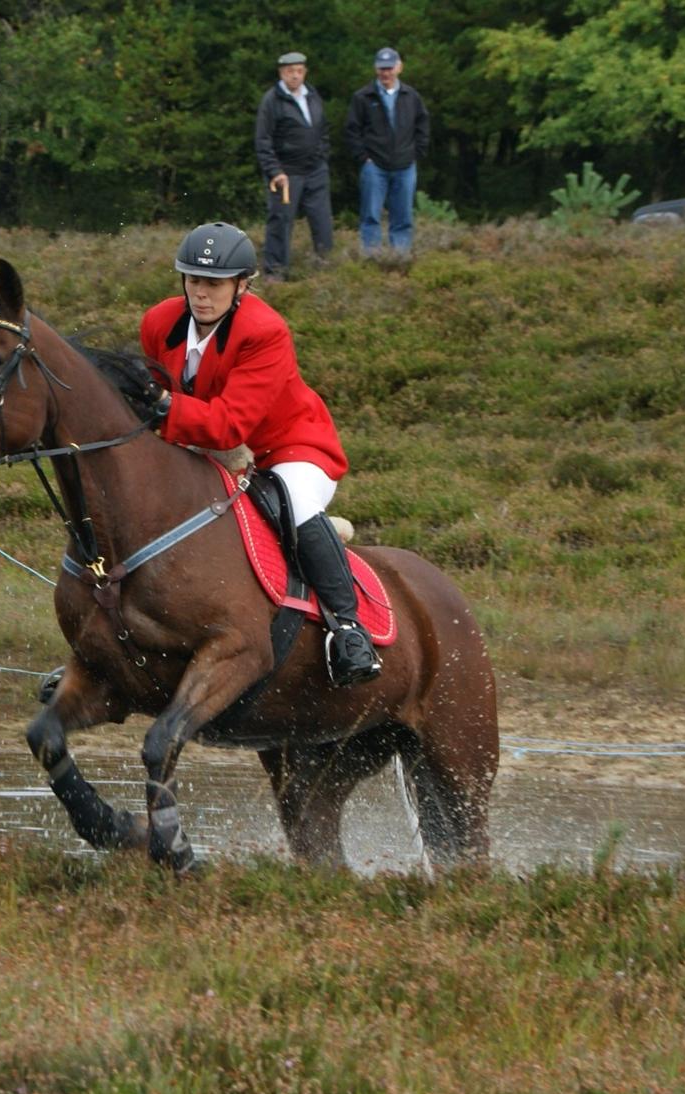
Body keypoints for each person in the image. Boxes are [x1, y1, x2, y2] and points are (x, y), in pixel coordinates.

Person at [142, 222, 381, 687]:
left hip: (289, 448)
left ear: (241, 286)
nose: (201, 294)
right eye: (193, 280)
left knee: (292, 501)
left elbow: (229, 425)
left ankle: (349, 631)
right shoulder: (159, 322)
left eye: (213, 283)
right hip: (207, 449)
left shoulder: (264, 331)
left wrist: (161, 407)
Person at [253, 51, 334, 284]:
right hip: (286, 173)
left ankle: (326, 266)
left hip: (316, 169)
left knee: (322, 220)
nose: (295, 76)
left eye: (299, 71)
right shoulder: (272, 101)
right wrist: (275, 171)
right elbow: (263, 140)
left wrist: (322, 155)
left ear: (304, 72)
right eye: (290, 72)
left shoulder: (312, 95)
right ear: (281, 73)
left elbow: (323, 129)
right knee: (280, 220)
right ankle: (275, 272)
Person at [345, 46, 430, 258]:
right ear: (376, 69)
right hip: (375, 167)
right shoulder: (363, 97)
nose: (386, 73)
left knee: (403, 218)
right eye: (382, 68)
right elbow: (352, 130)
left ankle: (400, 259)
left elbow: (422, 125)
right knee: (371, 216)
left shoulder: (411, 96)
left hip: (405, 166)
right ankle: (371, 260)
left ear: (399, 67)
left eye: (390, 68)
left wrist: (415, 153)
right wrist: (364, 158)